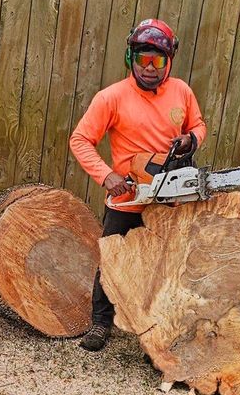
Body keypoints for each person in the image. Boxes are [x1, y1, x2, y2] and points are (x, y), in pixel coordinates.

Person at [69, 18, 206, 351]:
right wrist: (107, 176)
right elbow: (80, 139)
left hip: (170, 199)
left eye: (157, 60)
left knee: (165, 266)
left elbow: (199, 125)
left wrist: (191, 139)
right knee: (112, 259)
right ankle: (101, 323)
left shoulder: (182, 91)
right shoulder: (111, 98)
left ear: (168, 61)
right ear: (130, 58)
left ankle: (156, 334)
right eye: (142, 58)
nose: (149, 67)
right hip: (129, 196)